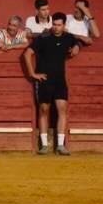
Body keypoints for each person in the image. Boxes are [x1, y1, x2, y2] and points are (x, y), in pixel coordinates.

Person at [24, 12, 79, 156]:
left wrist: (76, 48)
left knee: (62, 110)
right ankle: (44, 145)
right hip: (44, 79)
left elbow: (75, 44)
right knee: (43, 110)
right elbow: (27, 53)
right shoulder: (44, 38)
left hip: (60, 80)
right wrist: (32, 74)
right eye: (54, 24)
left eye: (59, 25)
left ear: (64, 25)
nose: (56, 27)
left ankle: (60, 145)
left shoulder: (69, 37)